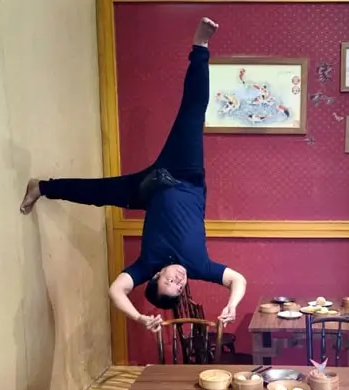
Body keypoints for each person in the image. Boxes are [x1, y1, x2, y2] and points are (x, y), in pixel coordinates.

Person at [19, 17, 246, 333]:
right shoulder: (199, 267)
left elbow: (116, 291)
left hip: (148, 189)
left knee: (98, 192)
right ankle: (201, 46)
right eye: (179, 287)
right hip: (184, 174)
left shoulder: (145, 266)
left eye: (169, 282)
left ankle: (41, 186)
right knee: (193, 115)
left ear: (156, 277)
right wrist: (231, 305)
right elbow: (238, 279)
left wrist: (139, 318)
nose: (178, 281)